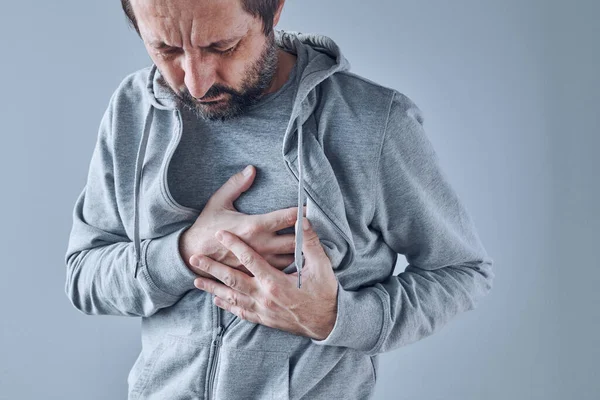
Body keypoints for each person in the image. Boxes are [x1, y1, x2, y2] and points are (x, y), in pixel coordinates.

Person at [64, 0, 495, 398]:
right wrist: (186, 251)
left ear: (273, 10)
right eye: (166, 50)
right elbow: (85, 275)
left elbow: (462, 272)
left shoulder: (372, 122)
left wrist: (336, 318)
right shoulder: (132, 111)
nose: (196, 83)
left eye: (222, 46)